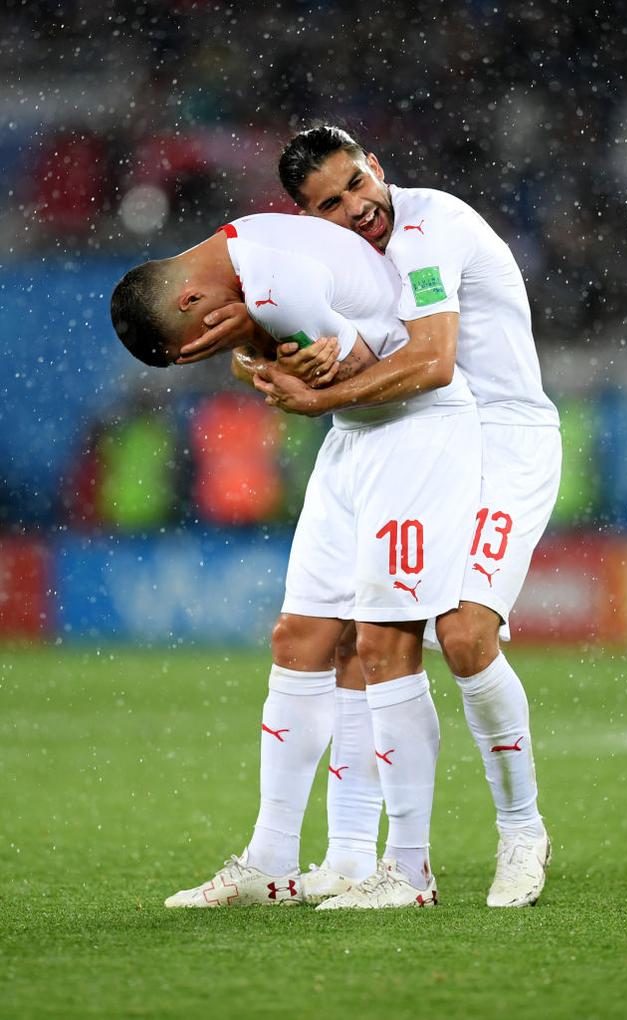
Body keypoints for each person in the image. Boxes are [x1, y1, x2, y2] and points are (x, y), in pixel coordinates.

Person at [189, 126, 561, 909]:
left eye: (358, 184)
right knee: (349, 638)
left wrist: (318, 394)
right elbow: (303, 330)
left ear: (376, 166)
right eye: (331, 203)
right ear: (308, 215)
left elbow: (432, 361)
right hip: (408, 439)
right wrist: (265, 355)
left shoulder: (431, 228)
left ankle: (522, 830)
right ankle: (349, 856)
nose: (357, 208)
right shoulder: (332, 255)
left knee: (462, 635)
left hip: (501, 441)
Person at [111, 212, 482, 908]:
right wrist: (261, 350)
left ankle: (410, 870)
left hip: (415, 438)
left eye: (191, 347)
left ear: (191, 301)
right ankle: (274, 861)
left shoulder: (272, 287)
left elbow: (380, 370)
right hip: (355, 440)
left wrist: (269, 352)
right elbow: (318, 354)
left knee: (383, 646)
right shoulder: (244, 251)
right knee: (301, 638)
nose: (201, 355)